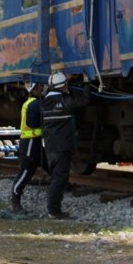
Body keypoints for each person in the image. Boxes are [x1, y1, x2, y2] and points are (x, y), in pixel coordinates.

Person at [41, 71, 90, 219]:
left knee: (56, 176)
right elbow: (84, 101)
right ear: (63, 86)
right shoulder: (65, 101)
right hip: (62, 146)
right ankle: (54, 211)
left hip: (50, 146)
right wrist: (87, 84)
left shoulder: (43, 103)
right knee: (59, 178)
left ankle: (53, 209)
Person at [10, 82, 47, 213]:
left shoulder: (30, 103)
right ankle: (15, 201)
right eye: (41, 87)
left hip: (33, 143)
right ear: (34, 89)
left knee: (49, 166)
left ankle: (63, 185)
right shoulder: (35, 104)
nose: (43, 88)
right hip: (30, 144)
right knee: (26, 172)